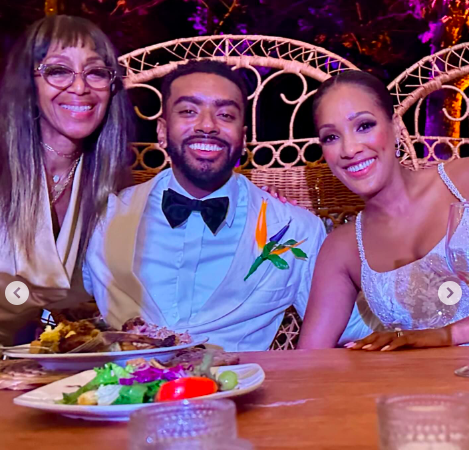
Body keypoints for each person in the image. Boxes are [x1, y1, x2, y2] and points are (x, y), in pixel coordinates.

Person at [84, 60, 372, 351]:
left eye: (225, 114)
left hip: (242, 390)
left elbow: (352, 326)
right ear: (162, 130)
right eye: (188, 111)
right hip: (119, 392)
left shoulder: (294, 229)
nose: (208, 125)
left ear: (243, 137)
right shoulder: (101, 219)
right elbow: (52, 290)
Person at [298, 70, 469, 351]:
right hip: (422, 392)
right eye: (331, 137)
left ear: (395, 127)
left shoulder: (463, 182)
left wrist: (447, 336)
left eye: (364, 126)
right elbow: (307, 361)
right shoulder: (342, 249)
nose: (349, 149)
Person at [0, 15, 133, 345]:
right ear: (29, 86)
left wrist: (276, 208)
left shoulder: (113, 186)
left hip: (57, 367)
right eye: (58, 70)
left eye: (96, 72)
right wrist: (28, 301)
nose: (79, 87)